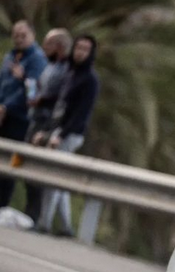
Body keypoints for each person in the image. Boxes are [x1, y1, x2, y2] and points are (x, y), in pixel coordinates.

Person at [38, 34, 100, 236]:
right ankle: (66, 227)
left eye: (85, 49)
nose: (80, 52)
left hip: (70, 134)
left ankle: (44, 223)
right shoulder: (71, 73)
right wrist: (46, 129)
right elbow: (59, 103)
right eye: (78, 48)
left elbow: (81, 113)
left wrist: (61, 135)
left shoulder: (90, 80)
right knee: (60, 179)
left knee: (54, 178)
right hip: (58, 130)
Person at [24, 28, 72, 223]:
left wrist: (42, 101)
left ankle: (36, 216)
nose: (44, 47)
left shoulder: (67, 70)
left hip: (46, 124)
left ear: (59, 46)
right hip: (36, 119)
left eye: (48, 44)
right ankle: (32, 213)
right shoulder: (52, 65)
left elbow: (60, 99)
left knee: (39, 171)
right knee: (25, 166)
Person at [0, 20, 47, 208]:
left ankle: (3, 205)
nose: (18, 39)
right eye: (16, 35)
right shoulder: (10, 57)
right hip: (4, 116)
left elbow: (32, 93)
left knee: (12, 165)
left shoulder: (37, 59)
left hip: (21, 120)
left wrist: (23, 78)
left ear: (32, 35)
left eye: (23, 36)